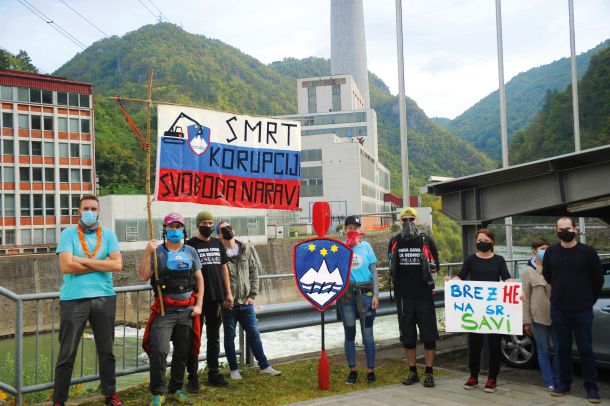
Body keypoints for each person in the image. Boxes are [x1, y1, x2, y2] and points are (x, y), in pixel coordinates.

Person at [53, 195, 124, 406]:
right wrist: (101, 263)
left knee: (107, 351)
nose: (90, 212)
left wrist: (82, 260)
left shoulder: (109, 234)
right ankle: (59, 400)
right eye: (86, 208)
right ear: (79, 211)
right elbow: (66, 266)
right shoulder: (68, 234)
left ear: (99, 211)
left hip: (104, 297)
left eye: (94, 208)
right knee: (67, 353)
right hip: (73, 299)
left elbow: (117, 265)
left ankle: (110, 395)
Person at [140, 213, 204, 405]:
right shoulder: (156, 251)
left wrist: (199, 305)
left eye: (178, 227)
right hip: (164, 311)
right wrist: (147, 252)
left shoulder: (191, 251)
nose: (174, 230)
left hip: (187, 310)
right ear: (164, 229)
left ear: (183, 229)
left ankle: (176, 388)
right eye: (171, 226)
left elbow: (200, 279)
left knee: (182, 352)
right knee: (159, 350)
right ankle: (157, 392)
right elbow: (143, 276)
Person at [543, 217, 604, 403]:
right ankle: (563, 384)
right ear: (556, 231)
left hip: (582, 309)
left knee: (586, 349)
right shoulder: (551, 251)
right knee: (562, 349)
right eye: (561, 229)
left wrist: (587, 300)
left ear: (575, 229)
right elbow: (548, 275)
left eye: (568, 228)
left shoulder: (588, 252)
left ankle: (591, 388)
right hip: (558, 308)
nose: (565, 231)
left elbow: (598, 279)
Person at [216, 220, 282, 379]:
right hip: (228, 305)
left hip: (246, 303)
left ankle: (264, 366)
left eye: (229, 228)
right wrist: (222, 299)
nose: (227, 231)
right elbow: (217, 279)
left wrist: (252, 295)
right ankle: (234, 370)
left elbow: (254, 272)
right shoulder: (218, 253)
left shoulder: (245, 249)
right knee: (229, 336)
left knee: (254, 333)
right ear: (218, 235)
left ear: (234, 231)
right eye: (223, 229)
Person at [451, 228, 513, 393]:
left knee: (494, 346)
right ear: (476, 242)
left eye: (486, 240)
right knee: (475, 345)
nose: (482, 243)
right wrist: (452, 281)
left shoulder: (499, 260)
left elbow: (506, 277)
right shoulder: (471, 259)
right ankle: (473, 376)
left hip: (493, 310)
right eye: (480, 240)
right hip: (475, 311)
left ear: (492, 241)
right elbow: (461, 275)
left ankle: (492, 378)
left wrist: (514, 287)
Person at [388, 207, 440, 388]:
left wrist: (428, 267)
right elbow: (390, 266)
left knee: (429, 337)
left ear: (416, 221)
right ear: (400, 222)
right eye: (404, 220)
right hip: (403, 298)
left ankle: (429, 372)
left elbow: (437, 266)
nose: (408, 223)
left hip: (424, 296)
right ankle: (412, 371)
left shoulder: (426, 240)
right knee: (408, 338)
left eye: (411, 219)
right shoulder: (395, 241)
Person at [186, 211, 234, 392]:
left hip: (216, 297)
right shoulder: (189, 245)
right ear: (198, 224)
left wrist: (228, 293)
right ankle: (192, 377)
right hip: (196, 299)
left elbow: (224, 269)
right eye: (205, 222)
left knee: (213, 337)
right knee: (194, 339)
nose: (208, 225)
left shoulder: (217, 243)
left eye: (211, 222)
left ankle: (213, 373)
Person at [338, 215, 379, 384]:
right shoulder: (340, 248)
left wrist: (376, 294)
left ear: (360, 230)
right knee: (349, 333)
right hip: (346, 297)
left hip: (366, 296)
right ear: (345, 230)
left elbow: (374, 271)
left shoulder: (367, 247)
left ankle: (370, 370)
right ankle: (352, 369)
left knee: (367, 334)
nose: (353, 230)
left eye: (356, 228)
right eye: (349, 228)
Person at [521, 237, 559, 390]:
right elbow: (525, 298)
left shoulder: (557, 267)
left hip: (557, 314)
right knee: (543, 350)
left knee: (559, 349)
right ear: (534, 251)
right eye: (542, 248)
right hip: (538, 316)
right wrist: (526, 321)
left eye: (547, 248)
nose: (545, 251)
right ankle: (549, 381)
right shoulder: (527, 271)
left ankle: (557, 377)